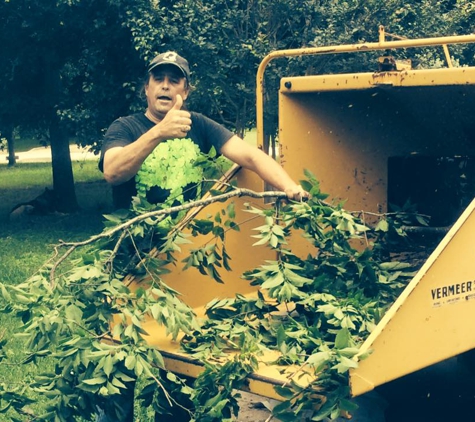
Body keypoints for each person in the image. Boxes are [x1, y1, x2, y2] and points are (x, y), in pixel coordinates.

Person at [99, 51, 308, 210]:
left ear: (185, 91)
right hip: (136, 251)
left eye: (173, 81)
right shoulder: (124, 127)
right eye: (158, 79)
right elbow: (113, 173)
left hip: (187, 247)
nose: (165, 86)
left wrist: (289, 187)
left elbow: (252, 156)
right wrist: (159, 131)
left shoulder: (198, 125)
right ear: (147, 88)